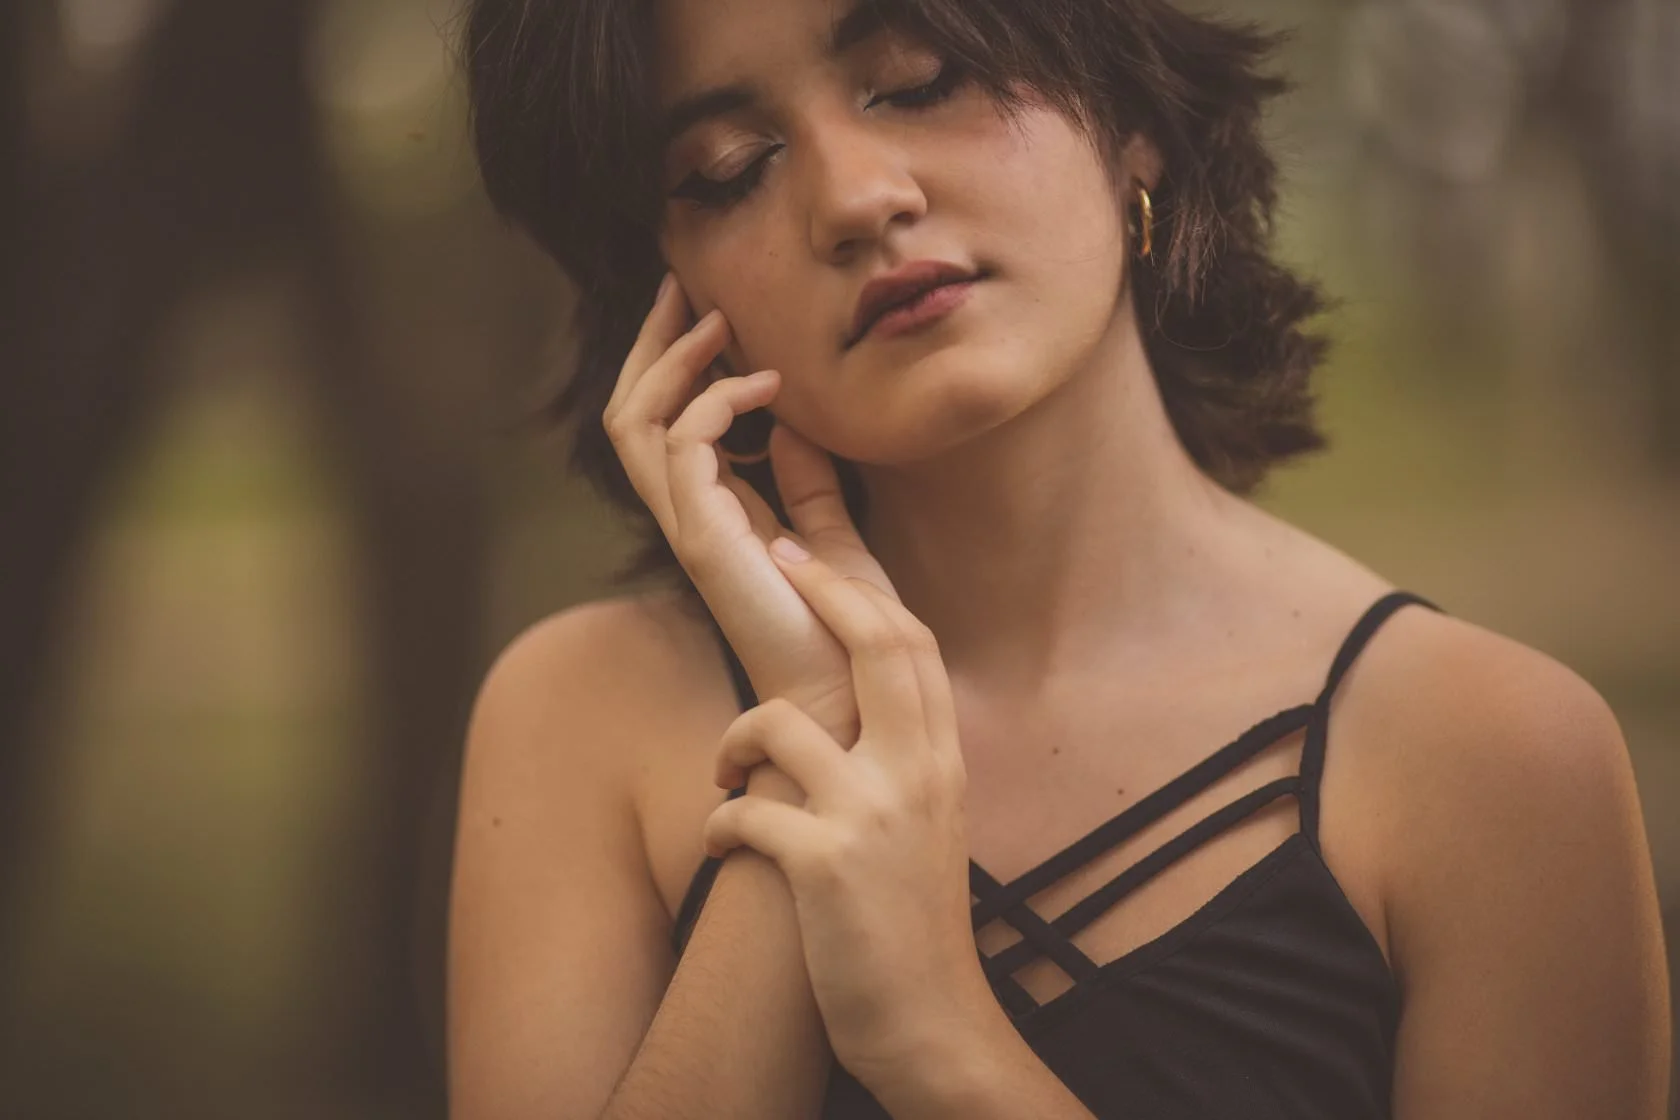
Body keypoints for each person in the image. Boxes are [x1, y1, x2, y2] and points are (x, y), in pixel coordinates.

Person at [446, 0, 1672, 1116]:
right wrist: (812, 742)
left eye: (920, 80)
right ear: (672, 297)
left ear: (1132, 119)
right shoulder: (584, 719)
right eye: (729, 170)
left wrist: (942, 1040)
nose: (854, 197)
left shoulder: (1495, 759)